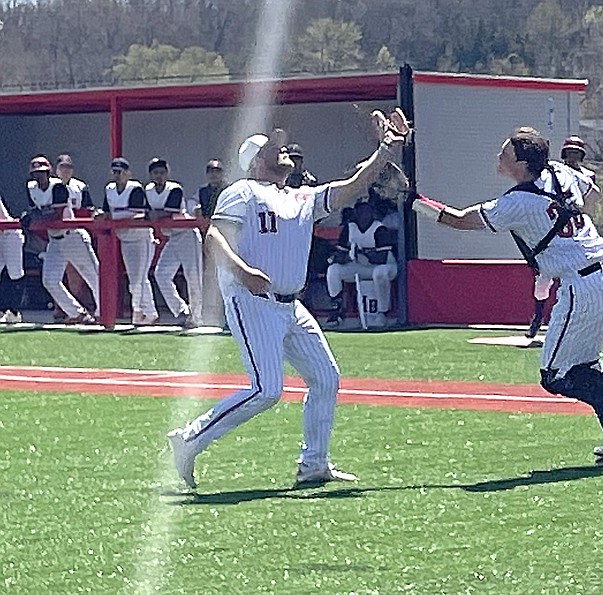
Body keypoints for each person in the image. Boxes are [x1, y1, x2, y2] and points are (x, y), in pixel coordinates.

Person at [167, 108, 411, 489]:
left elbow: (350, 187)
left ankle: (313, 463)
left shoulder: (300, 196)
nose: (283, 153)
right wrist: (242, 272)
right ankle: (188, 440)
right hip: (252, 301)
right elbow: (215, 236)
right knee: (266, 390)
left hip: (290, 305)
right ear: (255, 161)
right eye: (272, 149)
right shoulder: (242, 190)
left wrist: (386, 150)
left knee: (325, 377)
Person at [411, 126, 603, 467]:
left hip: (580, 283)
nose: (499, 158)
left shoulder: (517, 202)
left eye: (505, 154)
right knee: (585, 368)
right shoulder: (560, 171)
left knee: (555, 375)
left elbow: (459, 220)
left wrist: (415, 202)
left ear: (523, 164)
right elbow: (593, 196)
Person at [525, 136, 601, 338]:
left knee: (584, 279)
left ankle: (583, 322)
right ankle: (538, 316)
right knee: (543, 278)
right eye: (569, 152)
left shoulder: (587, 177)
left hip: (577, 232)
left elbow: (593, 199)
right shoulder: (554, 172)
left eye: (576, 152)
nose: (573, 156)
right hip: (554, 231)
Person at [98, 157, 158, 325]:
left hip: (141, 238)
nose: (118, 175)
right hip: (125, 238)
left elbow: (138, 214)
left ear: (128, 173)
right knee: (135, 279)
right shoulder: (110, 189)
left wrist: (114, 217)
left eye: (121, 172)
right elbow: (107, 212)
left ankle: (138, 312)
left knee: (139, 278)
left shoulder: (135, 188)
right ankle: (149, 312)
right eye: (115, 172)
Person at [45, 153, 101, 323]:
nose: (65, 170)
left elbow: (89, 208)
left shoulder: (80, 186)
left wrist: (95, 213)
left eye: (68, 167)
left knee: (93, 276)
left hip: (74, 235)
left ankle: (102, 311)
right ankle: (75, 312)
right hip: (55, 239)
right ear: (56, 170)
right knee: (49, 280)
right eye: (62, 167)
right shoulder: (46, 186)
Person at [147, 158, 203, 327]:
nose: (159, 176)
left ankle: (196, 317)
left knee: (193, 277)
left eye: (162, 172)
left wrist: (154, 213)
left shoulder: (175, 188)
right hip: (172, 237)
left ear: (167, 173)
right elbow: (146, 211)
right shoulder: (148, 190)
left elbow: (167, 212)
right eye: (156, 173)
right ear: (150, 175)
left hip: (187, 234)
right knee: (161, 274)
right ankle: (181, 310)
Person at [326, 200, 397, 328]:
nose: (363, 215)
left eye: (366, 211)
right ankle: (337, 309)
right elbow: (341, 253)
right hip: (359, 266)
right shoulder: (349, 228)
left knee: (379, 273)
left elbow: (381, 258)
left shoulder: (379, 228)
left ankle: (382, 311)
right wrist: (341, 257)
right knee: (333, 270)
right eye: (360, 211)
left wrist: (361, 251)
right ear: (355, 213)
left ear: (372, 213)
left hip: (385, 267)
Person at [191, 159, 227, 327]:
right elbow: (200, 211)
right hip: (208, 236)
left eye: (217, 171)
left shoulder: (227, 190)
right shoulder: (203, 191)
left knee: (227, 273)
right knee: (210, 274)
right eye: (211, 171)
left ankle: (226, 310)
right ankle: (211, 311)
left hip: (227, 236)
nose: (214, 174)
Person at [0, 192, 25, 324]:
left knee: (15, 273)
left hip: (10, 234)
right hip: (0, 234)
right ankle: (2, 309)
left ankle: (14, 312)